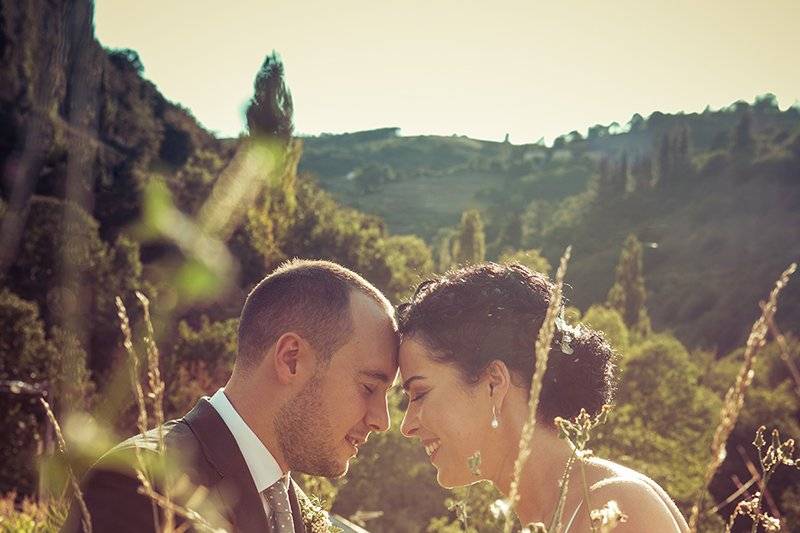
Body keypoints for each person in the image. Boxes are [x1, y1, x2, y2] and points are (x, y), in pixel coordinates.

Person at [64, 259, 398, 533]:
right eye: (369, 387)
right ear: (291, 359)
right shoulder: (139, 485)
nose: (381, 421)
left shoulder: (291, 506)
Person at [396, 262, 689, 532]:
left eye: (420, 394)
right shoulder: (554, 516)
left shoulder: (615, 508)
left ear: (494, 384)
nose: (406, 426)